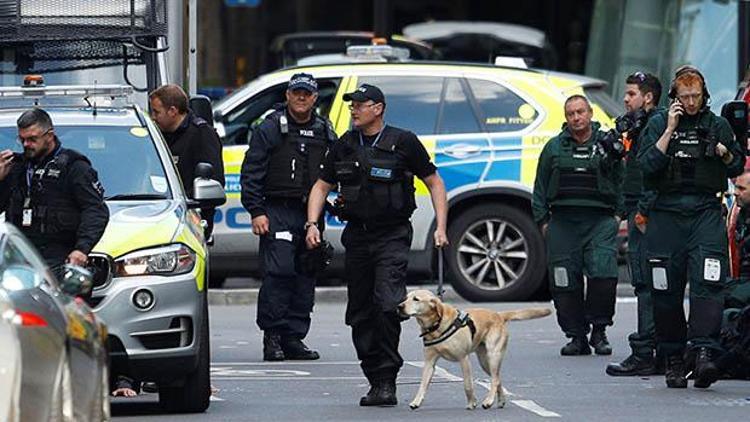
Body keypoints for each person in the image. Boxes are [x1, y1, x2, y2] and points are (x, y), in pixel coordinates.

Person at [305, 83, 448, 406]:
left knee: (387, 304)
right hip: (357, 236)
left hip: (392, 235)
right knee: (360, 312)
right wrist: (312, 224)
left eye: (360, 104)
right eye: (352, 104)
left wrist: (441, 227)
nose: (353, 109)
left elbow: (434, 182)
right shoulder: (344, 144)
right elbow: (321, 185)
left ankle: (387, 380)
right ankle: (374, 377)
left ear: (378, 108)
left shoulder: (403, 142)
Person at [637, 65, 745, 388]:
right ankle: (672, 356)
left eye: (696, 96)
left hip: (705, 214)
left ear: (705, 95)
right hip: (667, 214)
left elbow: (738, 165)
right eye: (685, 97)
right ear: (674, 98)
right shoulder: (659, 123)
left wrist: (724, 152)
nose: (691, 102)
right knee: (665, 289)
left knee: (708, 284)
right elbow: (646, 167)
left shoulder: (718, 125)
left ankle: (703, 353)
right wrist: (669, 130)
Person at [240, 73, 336, 361]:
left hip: (311, 213)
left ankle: (294, 338)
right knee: (278, 274)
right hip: (278, 210)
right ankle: (273, 338)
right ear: (288, 96)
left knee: (306, 273)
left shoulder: (324, 129)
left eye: (307, 93)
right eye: (297, 93)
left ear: (315, 98)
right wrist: (256, 211)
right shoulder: (271, 128)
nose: (302, 98)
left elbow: (335, 169)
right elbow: (252, 172)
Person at [532, 95, 623, 356]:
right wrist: (544, 222)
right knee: (563, 281)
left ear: (590, 113)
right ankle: (576, 336)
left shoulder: (608, 144)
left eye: (580, 112)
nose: (576, 117)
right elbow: (539, 188)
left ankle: (599, 331)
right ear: (566, 116)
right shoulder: (553, 148)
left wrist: (618, 216)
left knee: (603, 275)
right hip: (562, 223)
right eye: (571, 113)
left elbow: (624, 180)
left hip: (599, 222)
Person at [0, 107, 109, 272]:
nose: (26, 145)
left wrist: (82, 249)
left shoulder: (74, 167)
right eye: (22, 139)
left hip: (60, 259)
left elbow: (95, 209)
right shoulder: (14, 167)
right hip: (19, 259)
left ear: (49, 135)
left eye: (32, 139)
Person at [606, 72, 664, 376]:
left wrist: (641, 211)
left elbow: (653, 173)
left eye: (631, 94)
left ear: (648, 97)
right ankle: (659, 351)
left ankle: (645, 352)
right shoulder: (641, 125)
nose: (626, 99)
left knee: (644, 281)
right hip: (640, 209)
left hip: (647, 214)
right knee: (650, 283)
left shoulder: (654, 124)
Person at [149, 84, 225, 239]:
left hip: (192, 215)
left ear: (172, 111)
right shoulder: (156, 135)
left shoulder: (202, 135)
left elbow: (214, 180)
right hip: (158, 214)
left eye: (157, 112)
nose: (153, 117)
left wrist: (191, 201)